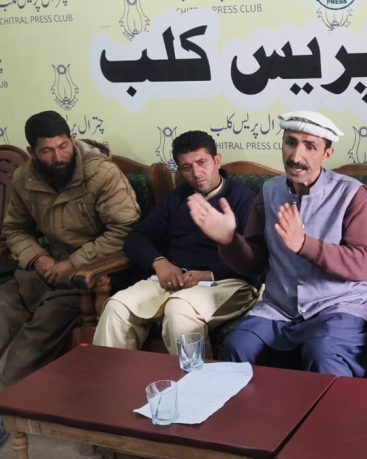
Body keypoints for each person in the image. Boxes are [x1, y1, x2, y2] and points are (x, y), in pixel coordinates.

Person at [188, 110, 367, 377]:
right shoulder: (270, 190)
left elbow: (364, 263)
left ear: (327, 154)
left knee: (322, 354)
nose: (296, 156)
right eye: (290, 142)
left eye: (310, 146)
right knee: (237, 348)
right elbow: (254, 263)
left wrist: (304, 244)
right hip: (279, 308)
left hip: (337, 304)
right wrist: (229, 240)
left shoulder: (351, 193)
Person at [0, 111, 140, 440]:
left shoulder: (100, 173)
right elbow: (15, 229)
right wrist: (37, 258)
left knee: (37, 333)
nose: (58, 157)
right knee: (3, 308)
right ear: (32, 151)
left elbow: (126, 231)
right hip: (43, 267)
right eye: (47, 151)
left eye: (63, 146)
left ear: (72, 140)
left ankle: (6, 412)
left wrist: (74, 262)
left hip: (90, 275)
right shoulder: (24, 177)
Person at [93, 130, 258, 356]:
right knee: (117, 307)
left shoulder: (244, 199)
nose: (196, 173)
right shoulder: (176, 199)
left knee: (179, 309)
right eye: (187, 167)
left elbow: (254, 259)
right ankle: (111, 378)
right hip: (175, 279)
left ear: (217, 160)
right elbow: (137, 238)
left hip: (227, 282)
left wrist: (208, 274)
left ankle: (197, 379)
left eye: (202, 163)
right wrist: (160, 263)